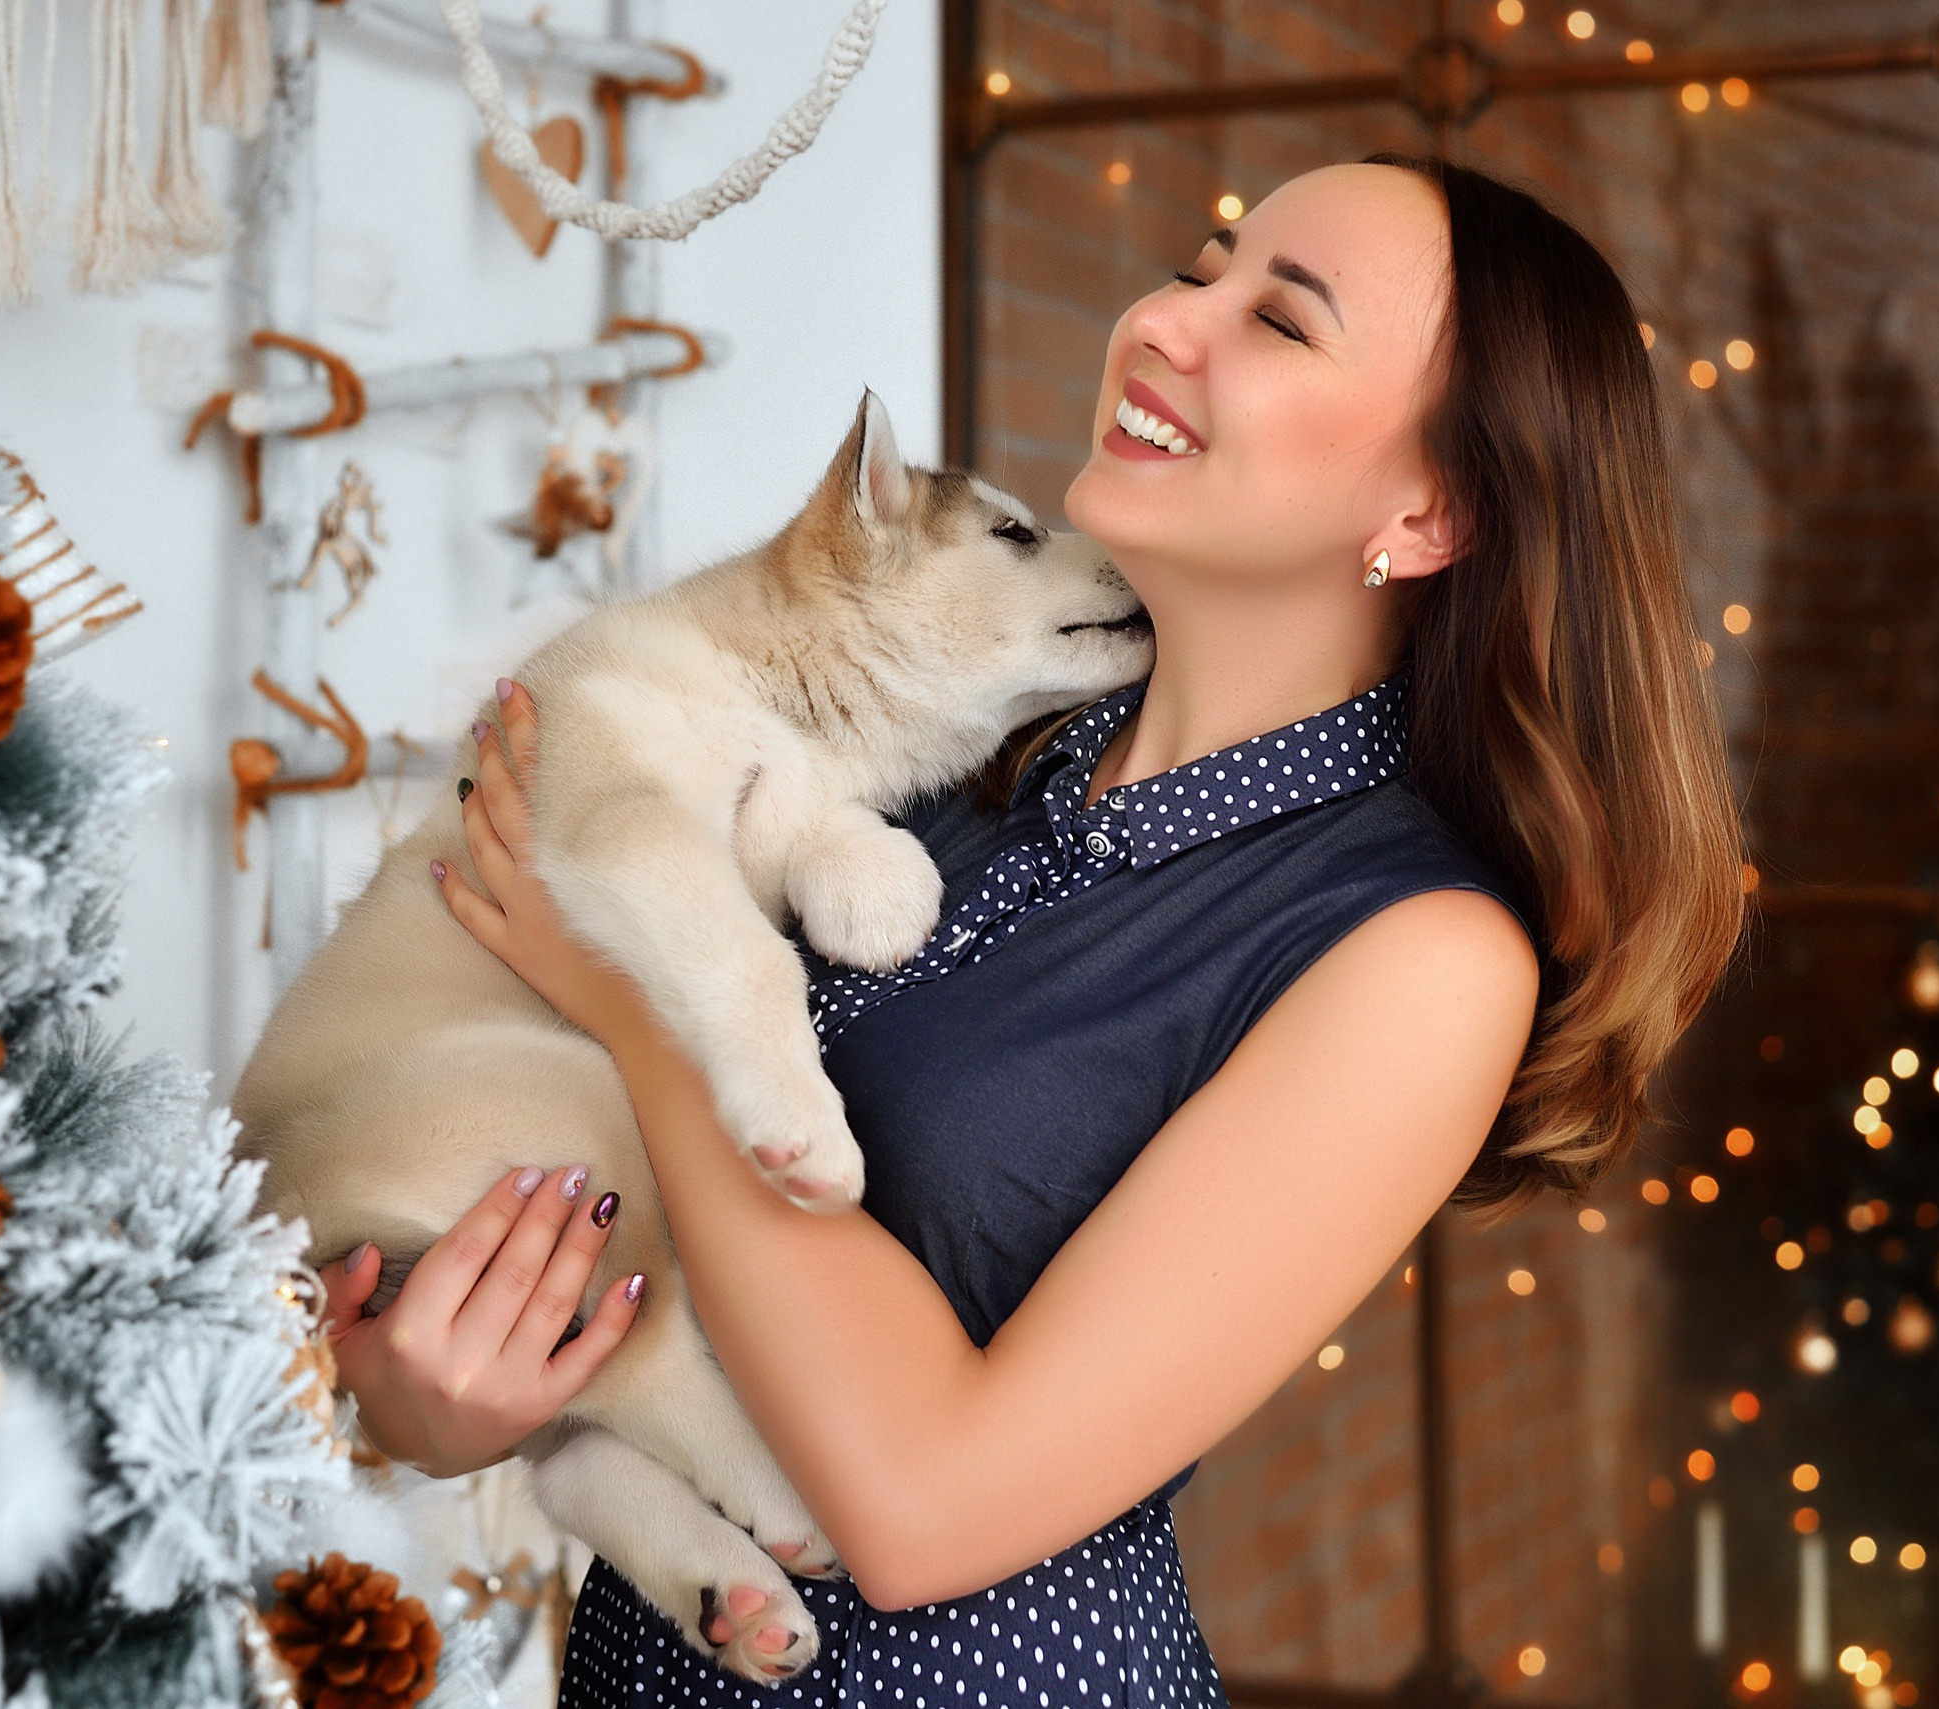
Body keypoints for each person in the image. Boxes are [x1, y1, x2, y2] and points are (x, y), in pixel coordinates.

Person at [317, 155, 1743, 1705]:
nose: (1167, 321)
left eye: (1281, 319)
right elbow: (626, 1247)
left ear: (1430, 508)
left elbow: (930, 1504)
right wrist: (442, 1395)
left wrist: (636, 1000)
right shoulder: (952, 755)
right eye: (1206, 263)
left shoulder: (1420, 959)